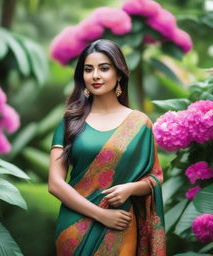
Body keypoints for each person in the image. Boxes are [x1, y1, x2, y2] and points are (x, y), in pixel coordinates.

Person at [48, 39, 166, 256]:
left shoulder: (139, 124)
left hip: (121, 222)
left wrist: (129, 189)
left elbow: (155, 177)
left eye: (104, 68)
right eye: (88, 69)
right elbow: (55, 184)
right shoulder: (69, 122)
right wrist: (100, 214)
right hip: (75, 226)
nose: (95, 76)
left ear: (119, 74)